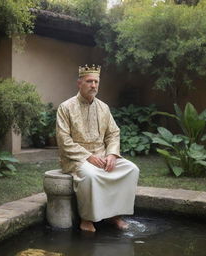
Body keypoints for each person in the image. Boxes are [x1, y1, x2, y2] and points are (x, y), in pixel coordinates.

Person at [56, 64, 139, 232]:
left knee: (131, 169)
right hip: (76, 158)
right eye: (89, 81)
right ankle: (87, 219)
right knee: (91, 175)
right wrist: (88, 156)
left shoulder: (103, 107)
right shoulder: (65, 107)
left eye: (96, 82)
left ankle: (115, 215)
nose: (93, 85)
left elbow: (113, 133)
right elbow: (63, 140)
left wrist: (112, 155)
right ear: (79, 83)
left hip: (102, 156)